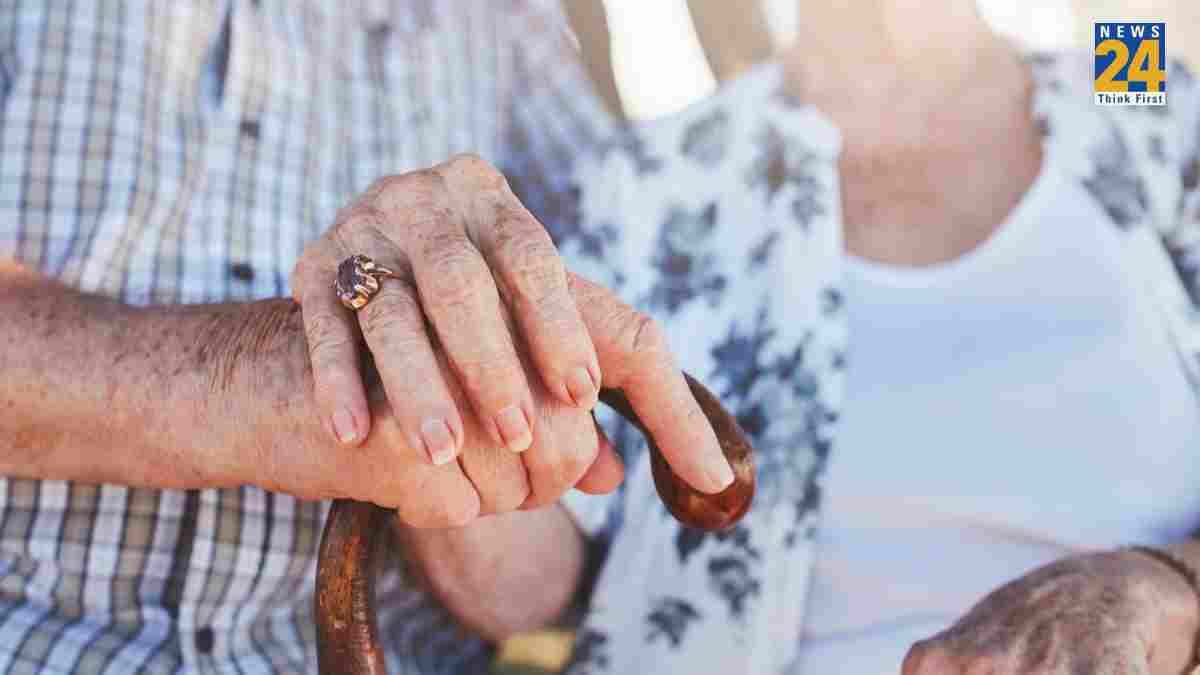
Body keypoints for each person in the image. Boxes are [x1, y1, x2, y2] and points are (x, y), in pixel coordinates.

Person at [1, 2, 1198, 675]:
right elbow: (539, 574)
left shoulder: (1136, 83)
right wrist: (441, 371)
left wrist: (1166, 589)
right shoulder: (648, 170)